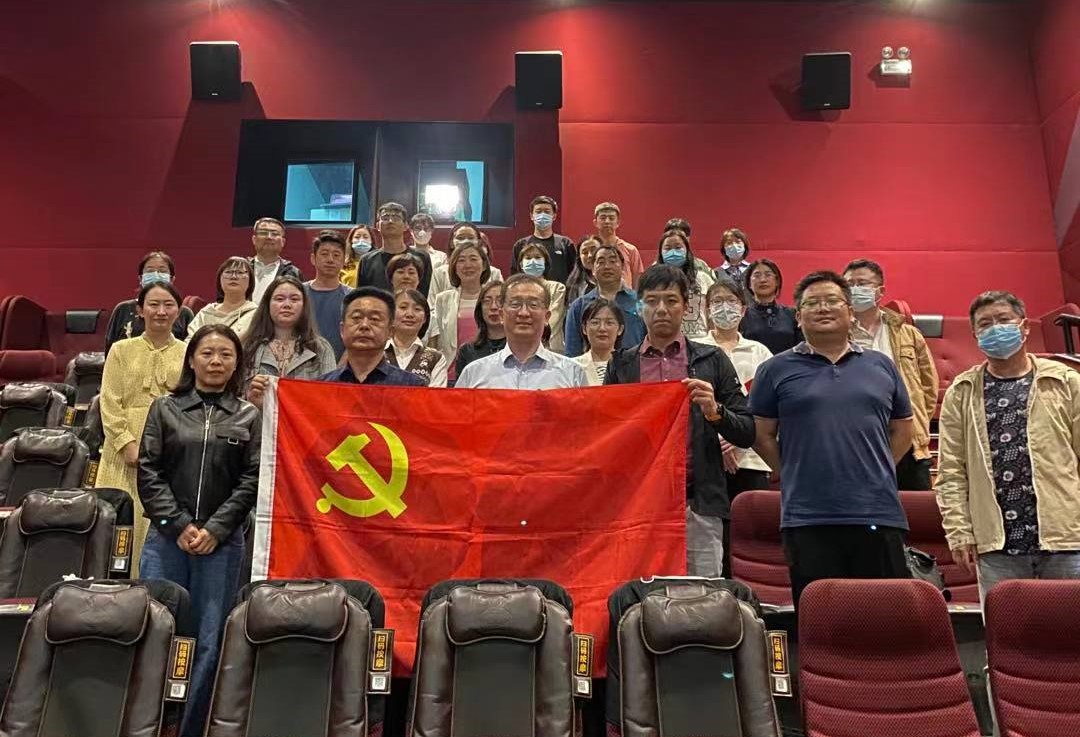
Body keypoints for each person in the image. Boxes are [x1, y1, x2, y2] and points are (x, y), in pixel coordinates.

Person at [749, 271, 913, 607]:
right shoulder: (775, 369)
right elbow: (761, 435)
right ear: (798, 317)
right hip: (807, 517)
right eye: (812, 303)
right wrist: (793, 471)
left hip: (877, 512)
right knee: (820, 619)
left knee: (885, 616)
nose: (823, 308)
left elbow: (904, 429)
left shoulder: (881, 366)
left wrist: (876, 468)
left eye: (832, 300)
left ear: (850, 312)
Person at [138, 324, 260, 737]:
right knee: (158, 632)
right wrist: (179, 525)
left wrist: (216, 529)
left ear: (236, 364)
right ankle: (150, 725)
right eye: (207, 353)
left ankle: (190, 729)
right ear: (191, 359)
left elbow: (252, 480)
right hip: (166, 540)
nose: (216, 361)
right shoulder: (164, 409)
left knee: (210, 642)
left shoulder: (248, 415)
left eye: (226, 354)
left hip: (222, 545)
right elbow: (149, 472)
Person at [605, 265, 755, 577]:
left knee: (705, 597)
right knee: (641, 596)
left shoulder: (711, 360)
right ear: (639, 307)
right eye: (652, 300)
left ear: (687, 306)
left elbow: (747, 431)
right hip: (639, 507)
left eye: (671, 300)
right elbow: (606, 435)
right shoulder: (621, 364)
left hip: (698, 504)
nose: (661, 309)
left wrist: (716, 412)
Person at [936, 291, 1080, 602]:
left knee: (1071, 627)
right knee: (1007, 629)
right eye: (985, 324)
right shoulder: (961, 392)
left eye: (1003, 320)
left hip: (1066, 537)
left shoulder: (1065, 381)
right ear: (975, 335)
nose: (995, 329)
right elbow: (950, 471)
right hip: (997, 543)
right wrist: (959, 531)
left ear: (1024, 327)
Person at [97, 282, 187, 573]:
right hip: (122, 449)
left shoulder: (188, 352)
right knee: (120, 524)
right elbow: (109, 401)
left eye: (168, 305)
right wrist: (126, 443)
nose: (161, 311)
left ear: (178, 312)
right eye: (153, 304)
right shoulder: (121, 350)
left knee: (160, 524)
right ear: (140, 310)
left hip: (171, 444)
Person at [844, 259, 939, 490]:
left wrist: (914, 422)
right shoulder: (837, 334)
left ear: (880, 291)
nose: (855, 289)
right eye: (849, 284)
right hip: (855, 439)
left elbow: (928, 387)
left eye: (862, 283)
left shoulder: (908, 334)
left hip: (909, 443)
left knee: (914, 507)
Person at [697, 278, 773, 494]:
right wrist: (720, 439)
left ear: (743, 309)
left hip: (752, 457)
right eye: (717, 301)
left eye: (731, 301)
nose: (724, 306)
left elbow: (768, 405)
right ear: (708, 310)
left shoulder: (760, 352)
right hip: (707, 457)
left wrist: (738, 438)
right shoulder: (695, 349)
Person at [456, 275, 588, 389]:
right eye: (515, 304)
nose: (524, 313)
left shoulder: (572, 373)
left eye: (533, 305)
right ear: (501, 315)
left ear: (547, 317)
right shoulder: (474, 374)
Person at [242, 276, 336, 409]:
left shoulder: (321, 348)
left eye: (294, 299)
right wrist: (250, 400)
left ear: (304, 306)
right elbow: (232, 397)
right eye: (279, 299)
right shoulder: (247, 347)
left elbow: (330, 398)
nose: (287, 305)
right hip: (257, 420)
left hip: (303, 420)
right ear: (267, 304)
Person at [318, 287, 425, 386]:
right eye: (356, 318)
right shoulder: (322, 387)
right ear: (342, 330)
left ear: (390, 331)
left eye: (374, 319)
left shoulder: (412, 387)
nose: (364, 325)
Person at [563, 243, 645, 357]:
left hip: (635, 365)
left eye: (612, 261)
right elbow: (572, 352)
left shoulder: (640, 301)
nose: (607, 266)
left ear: (623, 267)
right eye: (601, 262)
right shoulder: (579, 306)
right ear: (593, 269)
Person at [105, 251, 194, 354]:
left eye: (162, 271)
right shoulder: (123, 309)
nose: (156, 274)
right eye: (150, 271)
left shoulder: (184, 314)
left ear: (172, 279)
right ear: (140, 278)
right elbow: (109, 349)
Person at [431, 239, 491, 374]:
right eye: (461, 260)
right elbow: (435, 339)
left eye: (473, 259)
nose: (468, 265)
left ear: (484, 265)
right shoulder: (443, 300)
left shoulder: (494, 298)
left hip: (488, 371)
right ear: (454, 267)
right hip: (452, 371)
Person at [356, 202, 433, 295]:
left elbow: (424, 295)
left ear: (406, 225)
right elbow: (361, 296)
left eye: (396, 218)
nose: (390, 221)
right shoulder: (367, 260)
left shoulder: (422, 257)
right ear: (377, 226)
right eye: (385, 218)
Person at [655, 229, 714, 339]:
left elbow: (712, 312)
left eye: (678, 247)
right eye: (668, 248)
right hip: (667, 341)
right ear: (661, 252)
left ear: (687, 251)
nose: (673, 252)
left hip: (700, 340)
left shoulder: (704, 278)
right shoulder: (654, 281)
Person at [303, 230, 351, 360]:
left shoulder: (352, 297)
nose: (330, 260)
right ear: (313, 258)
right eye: (324, 254)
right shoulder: (298, 293)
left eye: (336, 255)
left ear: (344, 260)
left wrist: (339, 369)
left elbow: (355, 338)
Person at [387, 288, 448, 387]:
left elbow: (436, 395)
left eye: (417, 309)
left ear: (425, 318)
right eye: (403, 307)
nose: (410, 314)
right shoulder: (375, 354)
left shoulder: (436, 358)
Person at [740, 258, 802, 355]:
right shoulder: (742, 315)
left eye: (768, 275)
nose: (763, 280)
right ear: (749, 284)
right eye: (757, 276)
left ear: (777, 281)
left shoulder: (792, 314)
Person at [187, 256, 258, 340]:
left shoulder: (257, 314)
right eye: (228, 272)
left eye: (240, 272)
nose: (234, 277)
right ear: (220, 279)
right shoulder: (206, 313)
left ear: (250, 281)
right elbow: (190, 341)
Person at [510, 195, 576, 284]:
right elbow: (515, 275)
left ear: (554, 216)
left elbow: (574, 273)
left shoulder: (565, 243)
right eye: (538, 211)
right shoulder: (521, 244)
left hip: (560, 291)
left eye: (547, 212)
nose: (542, 215)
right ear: (532, 216)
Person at [429, 222, 504, 297]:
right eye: (460, 238)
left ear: (478, 242)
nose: (465, 241)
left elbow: (501, 300)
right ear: (451, 243)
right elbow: (432, 302)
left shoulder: (494, 273)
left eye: (470, 238)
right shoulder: (440, 273)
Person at [517, 243, 567, 352]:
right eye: (528, 258)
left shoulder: (557, 288)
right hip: (522, 347)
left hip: (552, 347)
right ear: (521, 264)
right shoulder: (515, 290)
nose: (533, 261)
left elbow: (553, 318)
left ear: (545, 262)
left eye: (538, 257)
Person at [455, 280, 507, 378]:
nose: (494, 307)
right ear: (480, 308)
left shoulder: (520, 349)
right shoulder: (467, 350)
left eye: (500, 301)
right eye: (487, 301)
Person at [249, 217, 303, 304]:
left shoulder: (293, 273)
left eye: (274, 234)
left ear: (283, 242)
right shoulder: (242, 268)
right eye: (263, 233)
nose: (269, 237)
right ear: (254, 239)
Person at [572, 298, 624, 386]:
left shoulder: (631, 366)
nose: (602, 328)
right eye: (595, 323)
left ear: (620, 329)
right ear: (584, 328)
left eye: (609, 323)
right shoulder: (572, 367)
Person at [594, 202, 644, 288]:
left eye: (611, 218)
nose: (607, 221)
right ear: (595, 222)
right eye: (603, 218)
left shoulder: (630, 250)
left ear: (618, 223)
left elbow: (638, 280)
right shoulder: (591, 250)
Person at [565, 235, 600, 306]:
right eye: (585, 252)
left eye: (593, 250)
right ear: (579, 258)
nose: (590, 255)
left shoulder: (615, 280)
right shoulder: (573, 285)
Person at [341, 224, 378, 288]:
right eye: (357, 237)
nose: (361, 240)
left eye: (365, 237)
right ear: (351, 241)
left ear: (371, 241)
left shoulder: (378, 263)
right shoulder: (343, 264)